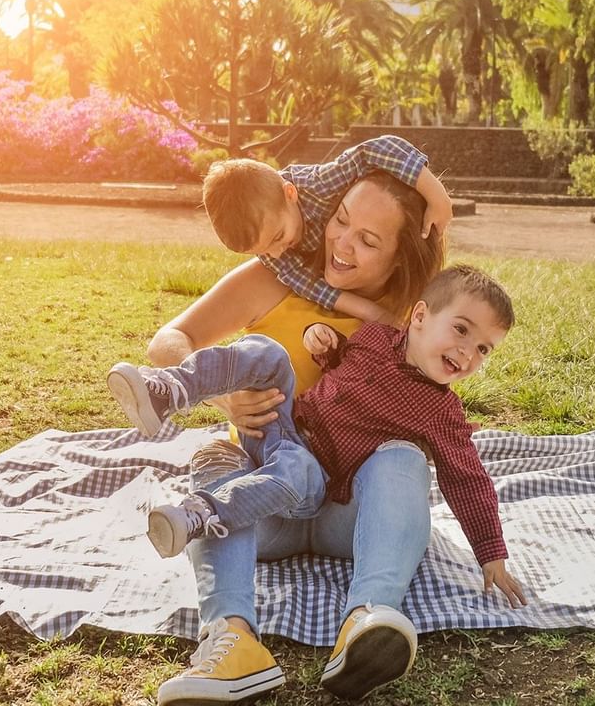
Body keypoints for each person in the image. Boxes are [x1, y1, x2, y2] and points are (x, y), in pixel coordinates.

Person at [120, 166, 460, 706]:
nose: (341, 244)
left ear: (399, 256)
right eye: (341, 221)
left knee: (403, 458)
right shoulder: (273, 275)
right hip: (260, 506)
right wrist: (222, 396)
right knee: (214, 457)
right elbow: (170, 340)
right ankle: (232, 640)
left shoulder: (413, 313)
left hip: (352, 512)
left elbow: (453, 390)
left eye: (367, 240)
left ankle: (368, 619)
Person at [109, 268, 529, 633]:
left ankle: (204, 512)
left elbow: (468, 479)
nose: (467, 353)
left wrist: (491, 551)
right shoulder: (376, 338)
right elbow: (343, 367)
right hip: (281, 430)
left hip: (316, 481)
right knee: (267, 351)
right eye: (461, 329)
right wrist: (324, 345)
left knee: (294, 467)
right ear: (419, 316)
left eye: (483, 349)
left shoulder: (442, 411)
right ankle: (170, 390)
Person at [201, 134, 452, 326]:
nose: (276, 255)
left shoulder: (319, 185)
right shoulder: (270, 246)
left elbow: (377, 149)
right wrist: (370, 312)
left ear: (290, 193)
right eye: (263, 251)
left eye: (278, 237)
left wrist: (437, 195)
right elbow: (310, 285)